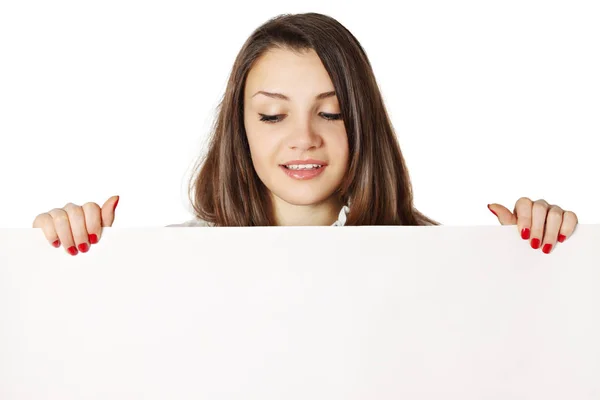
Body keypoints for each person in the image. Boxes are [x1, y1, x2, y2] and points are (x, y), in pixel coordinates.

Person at [31, 12, 578, 256]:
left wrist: (539, 262)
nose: (303, 138)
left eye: (332, 113)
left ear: (363, 123)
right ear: (240, 130)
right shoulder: (177, 260)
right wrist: (62, 258)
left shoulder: (438, 259)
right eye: (272, 116)